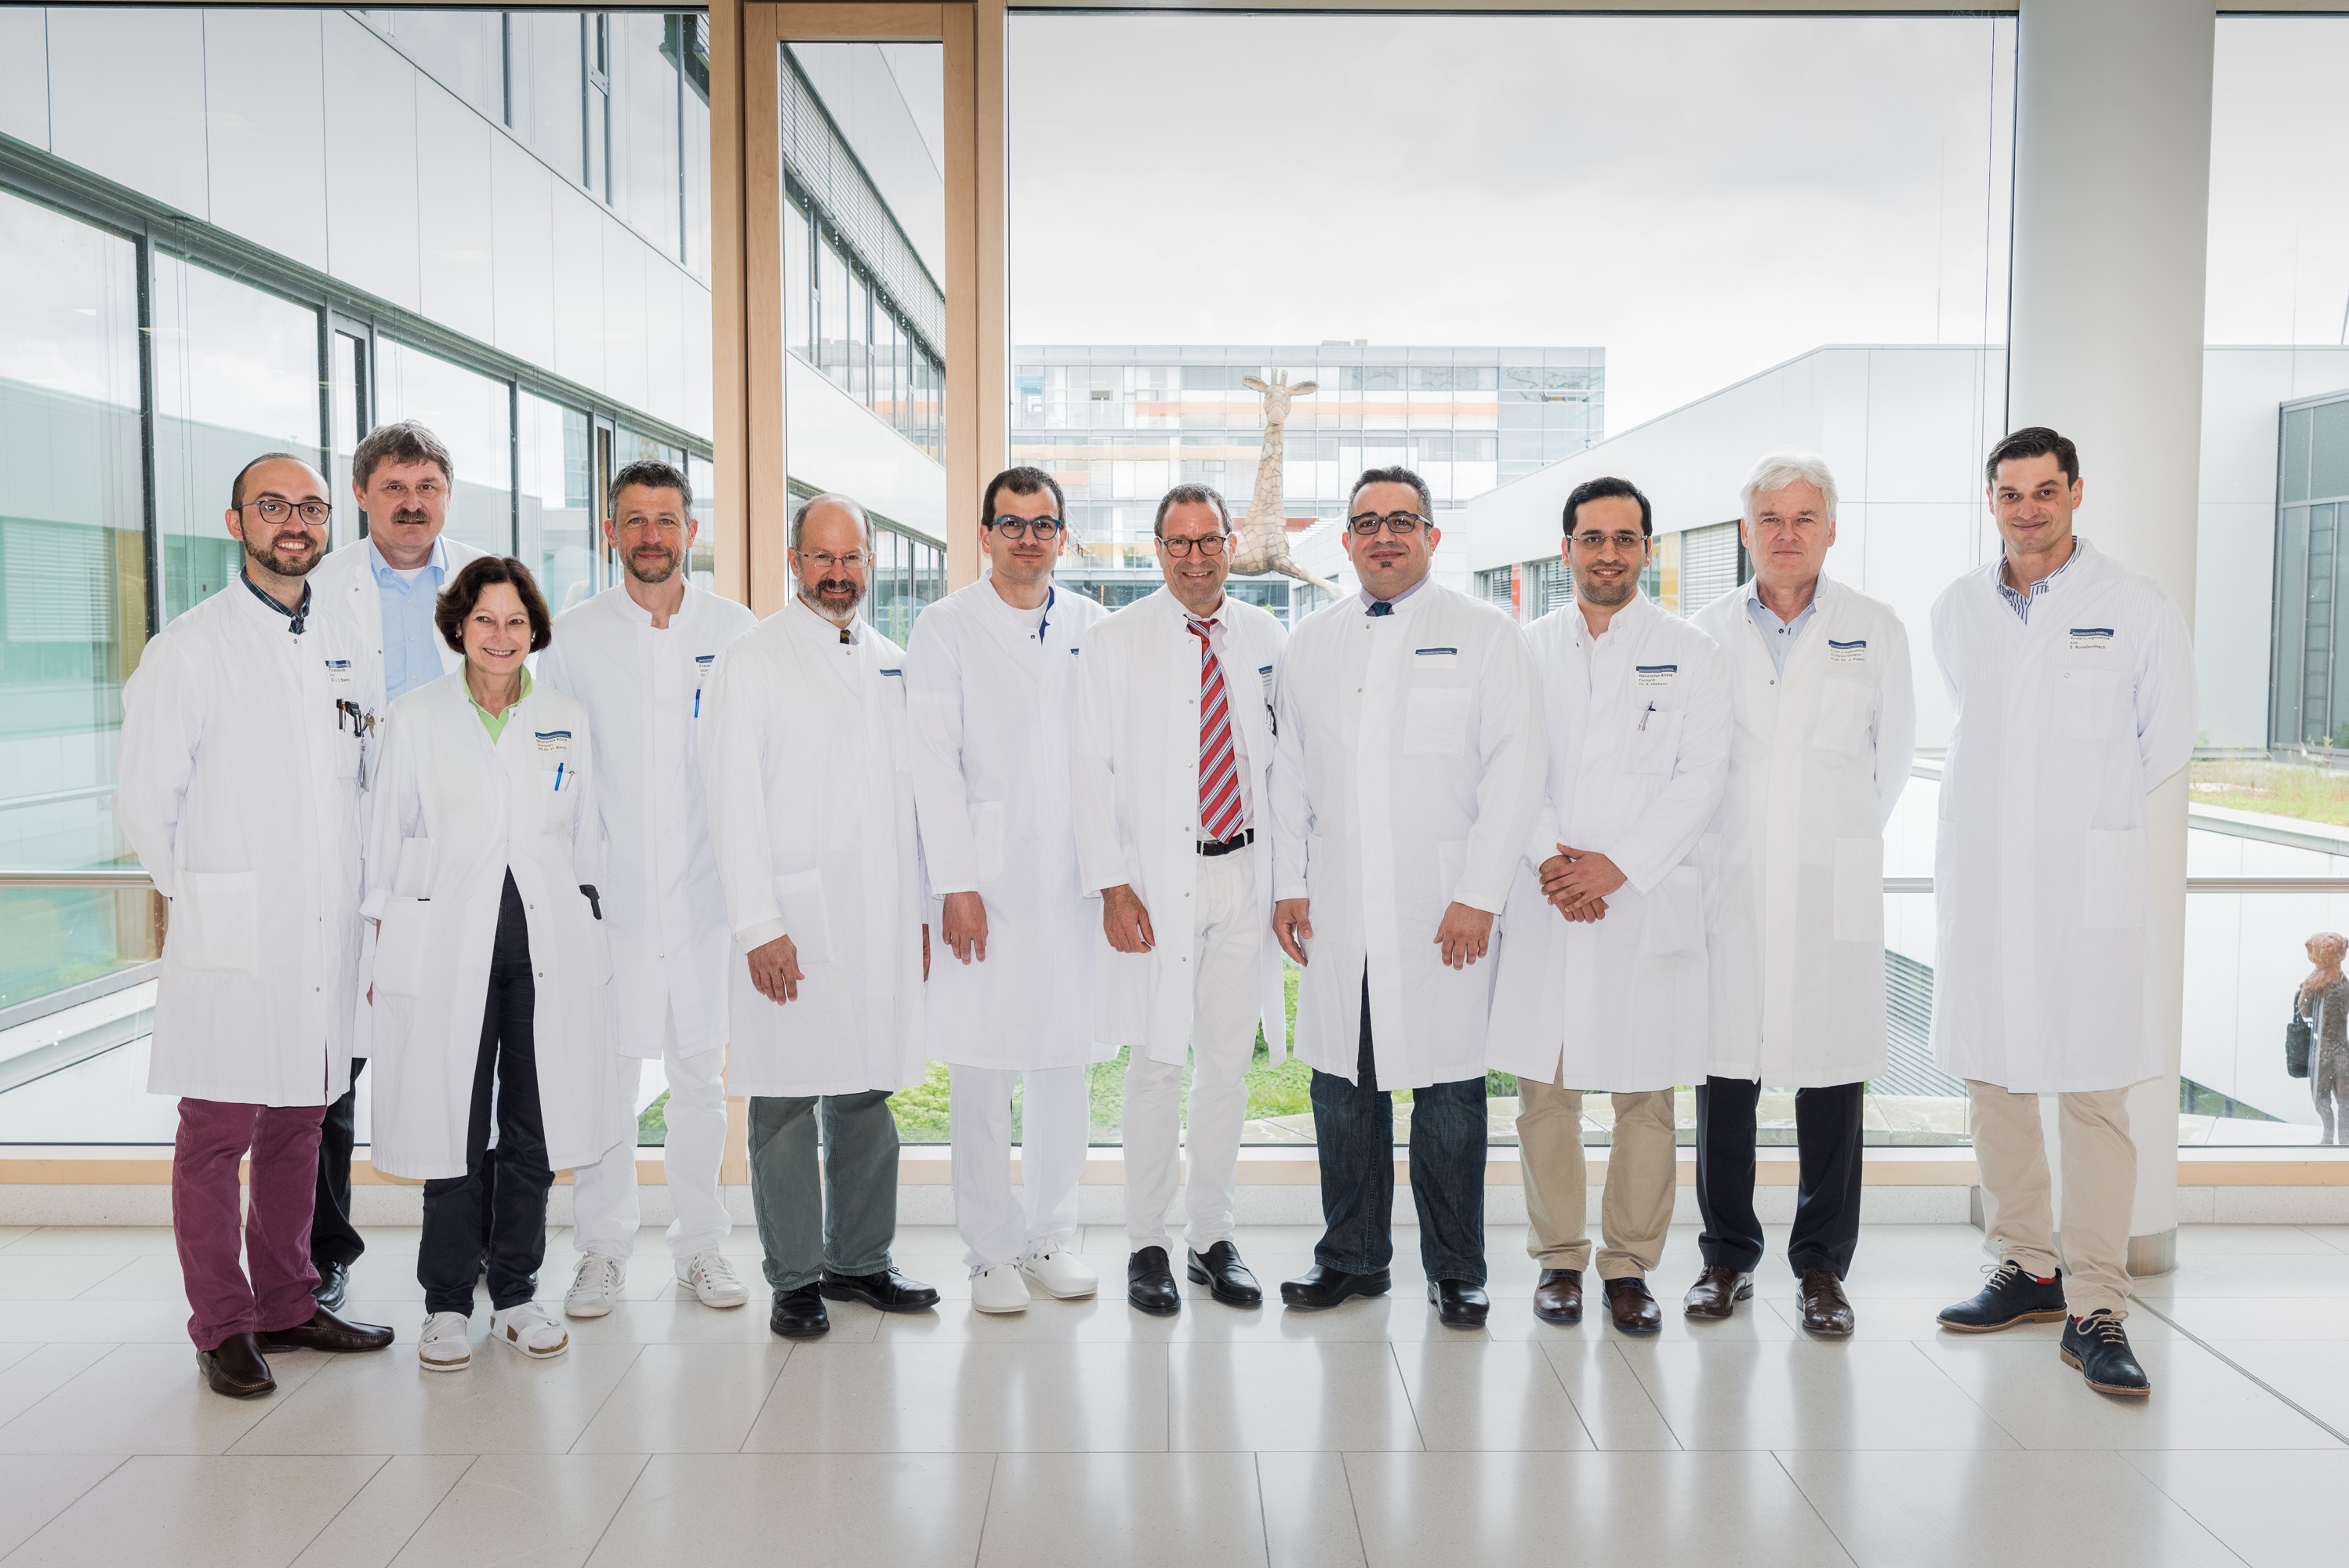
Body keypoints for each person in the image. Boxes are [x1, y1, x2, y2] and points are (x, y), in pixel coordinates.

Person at [114, 452, 396, 1399]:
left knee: (301, 1120)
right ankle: (223, 1323)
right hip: (235, 931)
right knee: (216, 1132)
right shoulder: (190, 648)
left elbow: (367, 782)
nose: (295, 522)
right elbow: (145, 801)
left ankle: (287, 1299)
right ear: (236, 522)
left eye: (310, 507)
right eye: (272, 506)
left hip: (326, 930)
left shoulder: (349, 641)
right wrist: (209, 899)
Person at [1931, 426, 2196, 1399]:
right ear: (1989, 500)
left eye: (2044, 490)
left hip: (2086, 890)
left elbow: (2165, 738)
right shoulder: (1958, 606)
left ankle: (2095, 1304)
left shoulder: (2133, 604)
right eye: (2009, 493)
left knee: (2091, 1094)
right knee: (1993, 1080)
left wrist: (2079, 824)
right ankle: (2025, 1266)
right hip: (1987, 884)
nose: (2026, 509)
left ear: (2075, 492)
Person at [1269, 467, 1546, 1328]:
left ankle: (1457, 1268)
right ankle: (1351, 1257)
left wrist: (1480, 892)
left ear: (1431, 535)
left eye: (1401, 520)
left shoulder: (1485, 634)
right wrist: (1288, 884)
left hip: (1441, 905)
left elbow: (1515, 770)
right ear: (1346, 540)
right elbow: (1287, 775)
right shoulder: (1310, 641)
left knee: (1450, 1096)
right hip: (1341, 904)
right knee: (1343, 1090)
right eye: (1366, 522)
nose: (1383, 535)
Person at [1487, 476, 1732, 1333]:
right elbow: (1506, 764)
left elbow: (1701, 777)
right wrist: (1557, 864)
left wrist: (1616, 867)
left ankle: (1628, 1265)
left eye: (1625, 538)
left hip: (1641, 897)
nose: (1608, 553)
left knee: (1645, 1100)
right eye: (1591, 538)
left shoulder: (1690, 650)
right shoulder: (1523, 648)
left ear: (1646, 550)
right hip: (1549, 893)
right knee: (1545, 1097)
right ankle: (1558, 1258)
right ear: (1565, 550)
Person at [1683, 453, 1915, 1335]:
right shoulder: (1704, 631)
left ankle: (1821, 1266)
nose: (1787, 533)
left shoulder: (1874, 628)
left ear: (1831, 529)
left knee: (1831, 1077)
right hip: (1730, 876)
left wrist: (1826, 840)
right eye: (1770, 518)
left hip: (1829, 879)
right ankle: (1725, 1256)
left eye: (1804, 517)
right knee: (1724, 1076)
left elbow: (1890, 760)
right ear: (1746, 532)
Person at [362, 556, 612, 1371]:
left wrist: (594, 932)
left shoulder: (566, 717)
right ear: (458, 627)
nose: (500, 637)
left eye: (515, 621)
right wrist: (382, 950)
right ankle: (444, 1303)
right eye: (484, 620)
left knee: (533, 1126)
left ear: (533, 629)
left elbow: (587, 841)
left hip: (546, 947)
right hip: (445, 946)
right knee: (453, 1123)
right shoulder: (417, 717)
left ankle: (515, 1294)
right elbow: (386, 841)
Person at [700, 493, 938, 1339]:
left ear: (870, 562)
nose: (838, 573)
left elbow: (914, 802)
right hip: (792, 920)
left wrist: (918, 911)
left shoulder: (893, 662)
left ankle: (859, 1259)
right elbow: (730, 803)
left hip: (880, 917)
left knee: (867, 1090)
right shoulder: (752, 660)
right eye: (822, 557)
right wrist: (758, 925)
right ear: (794, 561)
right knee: (786, 1100)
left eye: (852, 557)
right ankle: (796, 1277)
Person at [537, 460, 756, 1317]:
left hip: (703, 898)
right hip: (609, 900)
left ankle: (702, 1245)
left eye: (667, 519)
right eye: (634, 520)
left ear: (691, 531)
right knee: (609, 1081)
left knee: (700, 1079)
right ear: (610, 533)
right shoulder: (572, 637)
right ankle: (601, 1251)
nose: (652, 535)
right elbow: (552, 767)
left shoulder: (734, 630)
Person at [1071, 483, 1287, 1315]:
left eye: (1209, 540)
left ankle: (1211, 1236)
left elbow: (1283, 766)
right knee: (1158, 1063)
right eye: (1178, 542)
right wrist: (1112, 884)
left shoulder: (1265, 636)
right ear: (1157, 550)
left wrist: (1289, 885)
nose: (1195, 557)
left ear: (1231, 544)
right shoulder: (1114, 641)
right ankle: (1147, 1243)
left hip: (1244, 871)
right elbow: (1087, 771)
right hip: (1157, 883)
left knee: (1226, 1066)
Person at [907, 468, 1110, 1312]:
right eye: (1012, 523)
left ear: (1062, 536)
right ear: (985, 534)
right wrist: (954, 881)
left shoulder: (1093, 625)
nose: (1028, 538)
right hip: (982, 881)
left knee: (1065, 1063)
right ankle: (990, 1250)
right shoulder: (944, 626)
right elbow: (931, 761)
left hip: (1073, 880)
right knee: (983, 1067)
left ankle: (1050, 1234)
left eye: (1043, 524)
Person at [306, 420, 489, 1310]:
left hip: (461, 842)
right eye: (394, 488)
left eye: (427, 488)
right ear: (362, 495)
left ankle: (470, 1247)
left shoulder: (490, 580)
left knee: (468, 1053)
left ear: (447, 495)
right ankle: (323, 1252)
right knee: (331, 1064)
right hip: (348, 841)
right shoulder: (322, 587)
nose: (412, 504)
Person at [2298, 932, 2349, 1145]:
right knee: (2344, 1101)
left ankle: (2328, 1136)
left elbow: (2304, 1011)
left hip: (2322, 1050)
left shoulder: (2314, 985)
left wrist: (2305, 990)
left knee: (2320, 1098)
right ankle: (2344, 1139)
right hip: (2342, 1049)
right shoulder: (2344, 983)